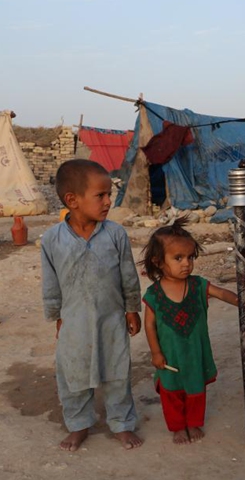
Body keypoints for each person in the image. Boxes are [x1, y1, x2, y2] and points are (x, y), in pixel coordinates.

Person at [41, 159, 144, 451]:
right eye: (100, 195)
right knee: (73, 375)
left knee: (117, 372)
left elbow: (127, 274)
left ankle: (122, 424)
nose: (108, 201)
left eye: (108, 194)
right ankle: (79, 425)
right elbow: (50, 283)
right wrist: (55, 315)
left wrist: (131, 308)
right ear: (72, 200)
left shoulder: (115, 234)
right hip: (73, 321)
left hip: (112, 319)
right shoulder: (52, 239)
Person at [140, 218, 245, 445]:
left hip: (194, 352)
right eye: (178, 258)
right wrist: (155, 353)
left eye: (190, 257)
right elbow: (149, 325)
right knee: (171, 392)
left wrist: (242, 302)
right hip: (169, 355)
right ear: (158, 261)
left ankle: (193, 423)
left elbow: (221, 293)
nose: (186, 264)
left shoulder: (198, 285)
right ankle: (178, 427)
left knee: (195, 389)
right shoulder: (153, 294)